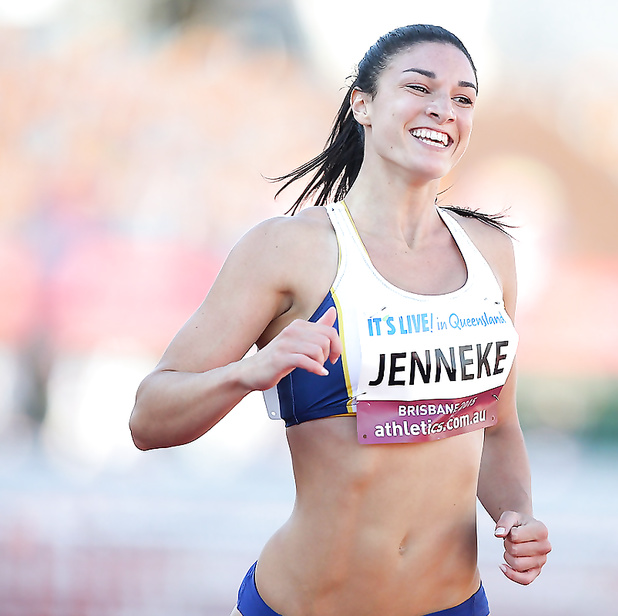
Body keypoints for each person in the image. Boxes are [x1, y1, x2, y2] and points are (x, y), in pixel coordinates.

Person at [129, 24, 551, 616]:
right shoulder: (287, 249)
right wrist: (247, 374)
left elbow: (498, 428)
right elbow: (148, 419)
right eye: (419, 87)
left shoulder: (491, 253)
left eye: (463, 98)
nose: (444, 109)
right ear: (363, 104)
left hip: (454, 603)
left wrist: (518, 514)